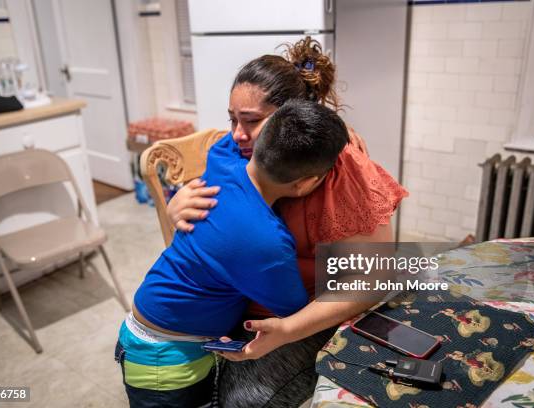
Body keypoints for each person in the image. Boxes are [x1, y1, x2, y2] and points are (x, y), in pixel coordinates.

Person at [166, 37, 409, 407]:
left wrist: (287, 330)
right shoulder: (235, 150)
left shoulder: (342, 171)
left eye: (251, 121)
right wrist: (176, 207)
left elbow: (372, 279)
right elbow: (211, 230)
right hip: (236, 304)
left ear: (289, 119)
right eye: (232, 118)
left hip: (310, 314)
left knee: (245, 401)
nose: (236, 134)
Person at [115, 100, 350, 408]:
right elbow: (294, 309)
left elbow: (235, 139)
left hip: (150, 329)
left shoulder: (223, 158)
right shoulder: (267, 244)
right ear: (306, 183)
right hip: (168, 361)